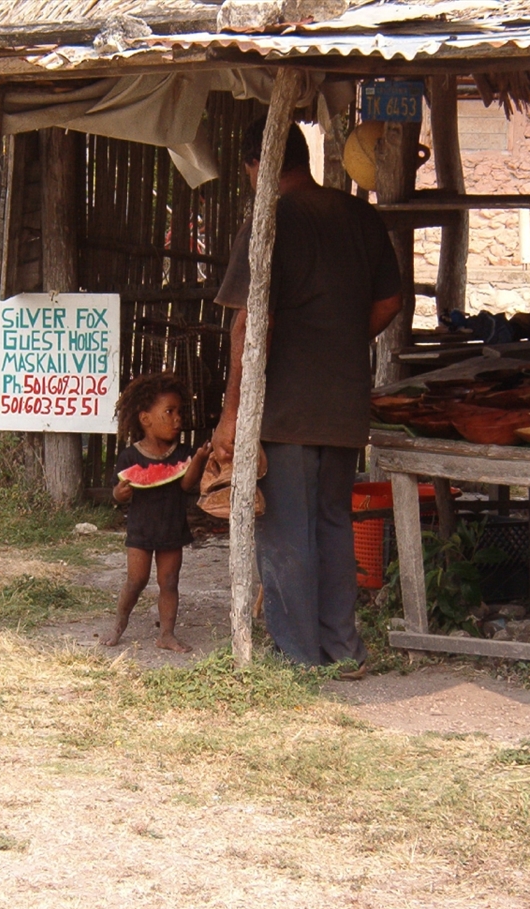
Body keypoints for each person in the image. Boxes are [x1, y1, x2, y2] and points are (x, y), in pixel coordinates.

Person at [212, 116, 402, 676]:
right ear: (307, 158)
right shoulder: (358, 215)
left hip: (285, 407)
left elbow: (250, 326)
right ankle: (343, 651)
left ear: (258, 164)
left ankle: (297, 660)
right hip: (342, 402)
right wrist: (340, 342)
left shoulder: (268, 219)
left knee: (287, 529)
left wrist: (231, 413)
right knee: (333, 524)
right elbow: (389, 304)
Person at [103, 372, 211, 653]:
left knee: (169, 582)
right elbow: (118, 490)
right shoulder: (130, 456)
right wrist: (119, 494)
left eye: (180, 412)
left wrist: (198, 459)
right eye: (169, 411)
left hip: (173, 530)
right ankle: (118, 624)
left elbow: (187, 484)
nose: (178, 418)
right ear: (145, 418)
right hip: (140, 531)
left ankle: (166, 634)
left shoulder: (183, 452)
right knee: (136, 580)